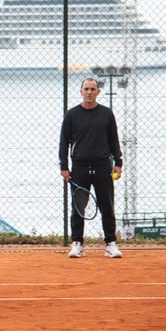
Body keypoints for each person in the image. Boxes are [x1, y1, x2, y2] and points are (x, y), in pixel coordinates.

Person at [59, 78, 123, 259]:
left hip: (103, 167)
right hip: (79, 167)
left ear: (98, 92)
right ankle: (77, 244)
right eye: (86, 89)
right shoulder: (71, 115)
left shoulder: (107, 114)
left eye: (92, 89)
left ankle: (111, 244)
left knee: (107, 206)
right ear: (81, 91)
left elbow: (114, 140)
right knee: (78, 207)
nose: (89, 92)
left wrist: (118, 163)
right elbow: (64, 142)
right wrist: (64, 166)